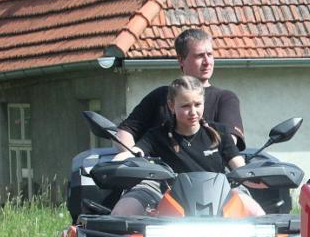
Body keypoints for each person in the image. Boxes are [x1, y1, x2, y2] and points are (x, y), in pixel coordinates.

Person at [110, 76, 264, 216]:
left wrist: (261, 177)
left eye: (197, 104)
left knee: (258, 214)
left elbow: (240, 169)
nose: (193, 112)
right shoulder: (156, 135)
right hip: (165, 192)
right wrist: (118, 161)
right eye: (185, 106)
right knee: (122, 211)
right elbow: (135, 153)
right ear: (171, 106)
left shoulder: (220, 132)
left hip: (220, 192)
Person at [115, 28, 244, 151]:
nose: (207, 62)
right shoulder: (160, 96)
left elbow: (229, 143)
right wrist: (135, 158)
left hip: (208, 167)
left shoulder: (225, 99)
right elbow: (124, 133)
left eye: (210, 55)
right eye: (199, 56)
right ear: (181, 60)